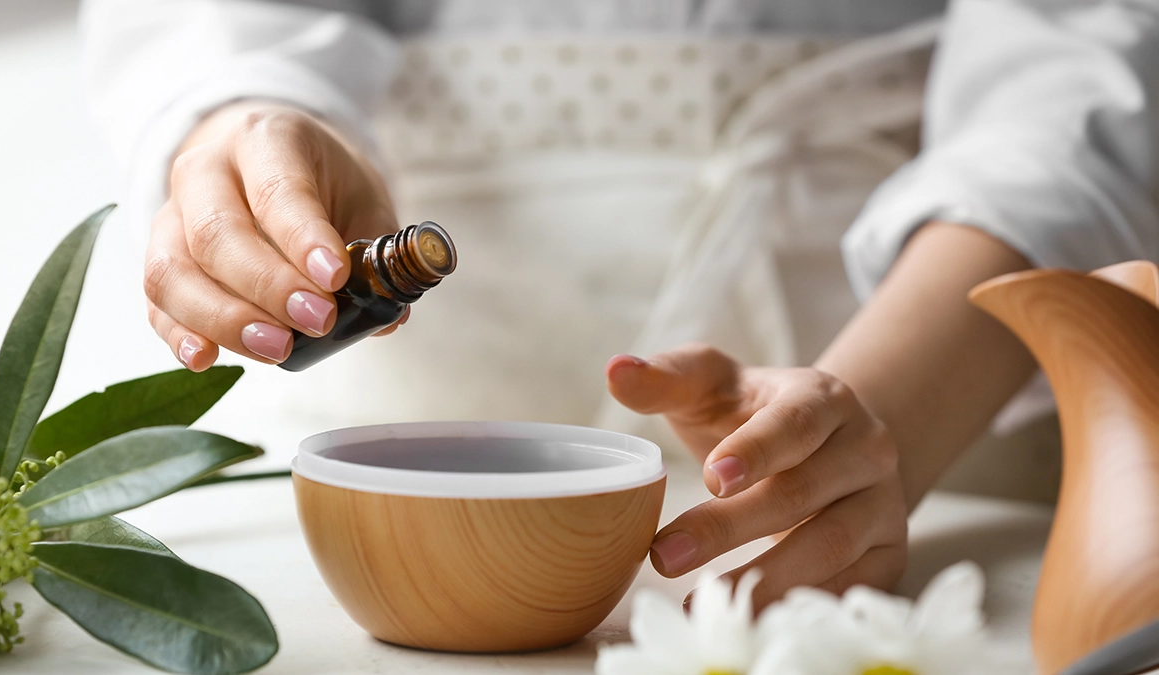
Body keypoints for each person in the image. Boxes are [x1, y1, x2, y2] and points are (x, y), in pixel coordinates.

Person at [80, 0, 1159, 607]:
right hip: (378, 479)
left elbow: (1073, 66)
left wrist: (868, 431)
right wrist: (240, 124)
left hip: (920, 441)